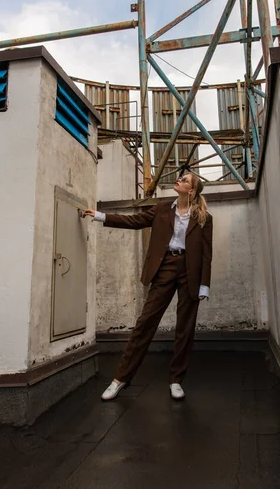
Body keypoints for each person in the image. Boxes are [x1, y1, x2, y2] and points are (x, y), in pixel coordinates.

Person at [83, 172, 213, 401]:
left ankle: (176, 381)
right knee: (145, 323)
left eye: (184, 180)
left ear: (191, 191)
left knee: (185, 328)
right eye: (180, 178)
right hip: (164, 267)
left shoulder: (203, 217)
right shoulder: (162, 208)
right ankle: (120, 379)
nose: (179, 180)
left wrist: (204, 285)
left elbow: (206, 254)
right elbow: (135, 221)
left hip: (190, 271)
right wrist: (101, 216)